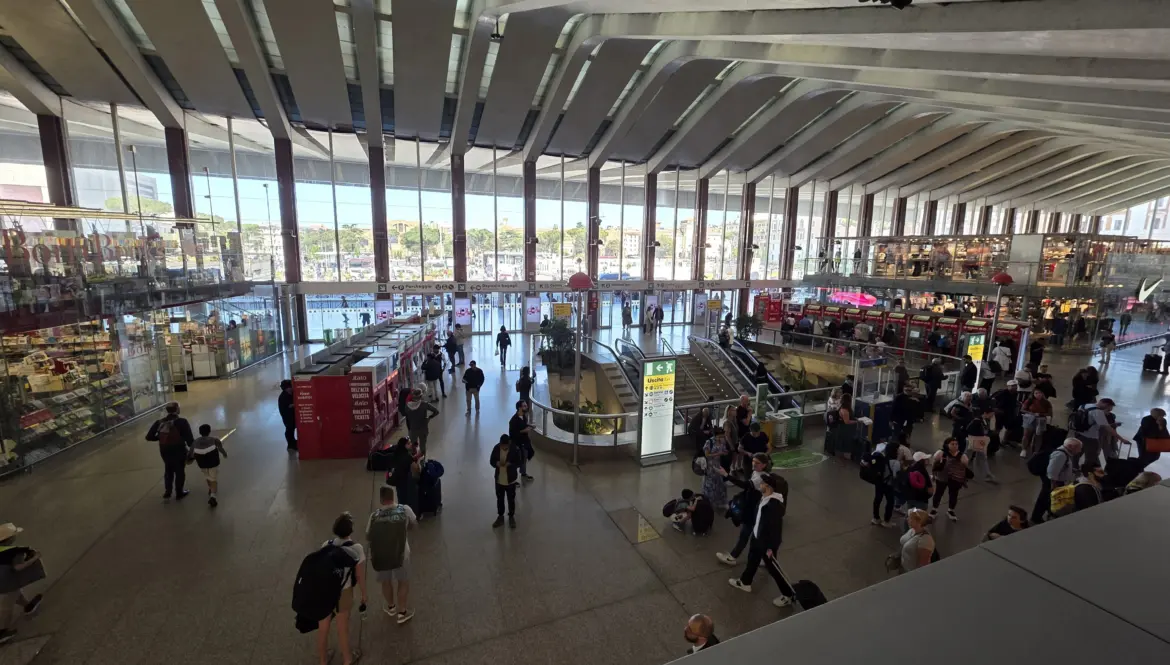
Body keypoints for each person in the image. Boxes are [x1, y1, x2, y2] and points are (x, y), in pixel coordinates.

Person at [727, 472, 795, 608]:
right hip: (758, 537)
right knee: (752, 560)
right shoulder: (765, 498)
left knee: (773, 568)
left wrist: (770, 547)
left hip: (766, 544)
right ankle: (745, 582)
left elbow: (775, 531)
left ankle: (788, 594)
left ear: (769, 487)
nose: (760, 485)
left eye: (763, 483)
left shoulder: (773, 506)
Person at [314, 513, 366, 665]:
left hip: (325, 591)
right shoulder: (356, 548)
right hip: (344, 591)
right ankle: (347, 659)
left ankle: (323, 661)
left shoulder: (326, 544)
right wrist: (364, 594)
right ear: (350, 531)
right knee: (342, 628)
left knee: (323, 627)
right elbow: (360, 576)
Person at [366, 485, 417, 625]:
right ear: (393, 496)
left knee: (386, 581)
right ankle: (402, 612)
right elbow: (414, 524)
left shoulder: (374, 515)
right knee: (403, 582)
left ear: (381, 500)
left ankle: (391, 607)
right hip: (402, 554)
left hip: (381, 555)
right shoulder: (404, 509)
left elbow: (368, 536)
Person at [715, 452, 770, 565]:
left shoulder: (761, 477)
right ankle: (764, 559)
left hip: (754, 510)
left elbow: (745, 485)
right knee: (756, 534)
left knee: (746, 534)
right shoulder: (757, 473)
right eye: (753, 462)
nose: (754, 464)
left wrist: (727, 475)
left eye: (757, 463)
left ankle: (733, 556)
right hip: (754, 508)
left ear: (764, 465)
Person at [0, 522, 44, 645]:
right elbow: (18, 568)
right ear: (10, 539)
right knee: (6, 607)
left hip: (4, 582)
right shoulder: (14, 552)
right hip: (5, 583)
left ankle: (28, 606)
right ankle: (2, 632)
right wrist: (35, 558)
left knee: (16, 594)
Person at [145, 402, 195, 500]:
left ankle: (168, 491)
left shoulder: (159, 422)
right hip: (178, 449)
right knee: (180, 470)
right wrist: (192, 450)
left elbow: (149, 437)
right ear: (177, 409)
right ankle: (179, 492)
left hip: (164, 449)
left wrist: (159, 438)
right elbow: (189, 439)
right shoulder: (182, 422)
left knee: (168, 469)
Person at [1033, 438, 1081, 523]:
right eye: (1078, 448)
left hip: (1056, 482)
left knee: (1049, 499)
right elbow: (1052, 471)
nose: (1079, 450)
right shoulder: (1061, 455)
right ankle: (1036, 518)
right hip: (1053, 482)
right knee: (1045, 499)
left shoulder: (1065, 453)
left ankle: (1048, 512)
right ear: (1070, 446)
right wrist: (1053, 485)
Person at [1074, 398, 1131, 464]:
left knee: (1077, 453)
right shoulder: (1098, 412)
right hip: (1091, 438)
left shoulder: (1083, 406)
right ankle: (1089, 471)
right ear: (1106, 404)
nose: (1108, 411)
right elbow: (1108, 428)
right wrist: (1122, 439)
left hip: (1079, 434)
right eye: (1108, 409)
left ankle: (1074, 468)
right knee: (1091, 458)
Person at [930, 437, 969, 522]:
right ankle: (934, 509)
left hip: (955, 479)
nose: (955, 446)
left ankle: (950, 510)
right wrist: (933, 474)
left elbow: (964, 469)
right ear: (947, 445)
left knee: (953, 495)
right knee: (938, 493)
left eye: (956, 444)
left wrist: (963, 480)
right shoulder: (940, 453)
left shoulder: (962, 456)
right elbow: (934, 463)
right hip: (941, 477)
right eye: (952, 444)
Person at [490, 434, 523, 528]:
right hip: (499, 479)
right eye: (502, 446)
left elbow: (519, 463)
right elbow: (492, 460)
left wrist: (510, 464)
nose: (503, 447)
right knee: (500, 499)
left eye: (505, 446)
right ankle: (500, 517)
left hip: (510, 480)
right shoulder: (496, 448)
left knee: (511, 499)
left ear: (508, 444)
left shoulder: (515, 450)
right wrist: (496, 463)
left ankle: (511, 517)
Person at [192, 424, 227, 507]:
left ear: (200, 432)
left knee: (207, 477)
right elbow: (220, 448)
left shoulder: (195, 441)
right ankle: (213, 497)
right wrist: (224, 454)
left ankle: (210, 489)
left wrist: (188, 460)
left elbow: (191, 453)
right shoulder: (214, 440)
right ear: (209, 431)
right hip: (213, 463)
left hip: (202, 464)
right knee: (213, 479)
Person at [386, 437, 420, 516]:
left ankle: (402, 515)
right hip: (406, 482)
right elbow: (416, 469)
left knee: (401, 499)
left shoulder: (395, 454)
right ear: (404, 445)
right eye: (408, 443)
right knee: (409, 499)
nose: (410, 445)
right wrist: (418, 461)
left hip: (397, 481)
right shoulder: (407, 457)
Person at [895, 508, 935, 573]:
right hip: (903, 567)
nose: (907, 519)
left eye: (910, 518)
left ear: (918, 521)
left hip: (910, 573)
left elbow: (923, 565)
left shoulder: (925, 541)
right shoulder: (912, 530)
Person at [402, 388, 439, 456]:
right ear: (421, 396)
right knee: (422, 446)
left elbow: (406, 415)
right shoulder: (424, 404)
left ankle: (413, 462)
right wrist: (429, 418)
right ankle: (422, 462)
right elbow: (436, 411)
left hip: (413, 429)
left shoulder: (407, 406)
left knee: (412, 446)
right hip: (423, 428)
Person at [965, 407, 997, 484]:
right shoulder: (977, 421)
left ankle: (987, 475)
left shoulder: (985, 421)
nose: (991, 417)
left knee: (979, 457)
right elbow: (968, 429)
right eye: (990, 415)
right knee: (968, 456)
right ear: (985, 413)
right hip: (975, 441)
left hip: (978, 441)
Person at [1020, 387, 1053, 458]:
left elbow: (1050, 413)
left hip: (1041, 420)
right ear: (1033, 394)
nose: (1038, 395)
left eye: (1040, 393)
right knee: (1026, 435)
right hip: (1029, 419)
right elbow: (1022, 409)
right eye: (1036, 393)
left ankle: (1036, 451)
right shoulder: (1029, 400)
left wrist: (1041, 414)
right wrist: (1031, 413)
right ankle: (1024, 449)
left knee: (1038, 436)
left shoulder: (1046, 402)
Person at [702, 428, 731, 508]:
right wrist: (719, 453)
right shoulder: (709, 442)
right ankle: (709, 502)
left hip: (719, 465)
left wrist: (725, 453)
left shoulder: (723, 441)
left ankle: (721, 501)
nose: (723, 437)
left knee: (721, 484)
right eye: (721, 435)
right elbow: (707, 455)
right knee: (711, 485)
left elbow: (725, 450)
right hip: (710, 467)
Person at [509, 400, 535, 481]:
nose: (526, 407)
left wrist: (530, 425)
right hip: (518, 443)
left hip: (524, 442)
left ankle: (523, 473)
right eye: (524, 406)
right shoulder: (513, 420)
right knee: (518, 460)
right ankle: (512, 477)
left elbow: (524, 425)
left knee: (524, 458)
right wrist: (524, 431)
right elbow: (513, 433)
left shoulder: (523, 416)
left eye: (526, 406)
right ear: (519, 408)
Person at [825, 393, 856, 459]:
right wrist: (857, 421)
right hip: (843, 428)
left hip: (841, 427)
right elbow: (847, 422)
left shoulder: (841, 407)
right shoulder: (845, 411)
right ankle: (847, 453)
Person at [279, 379, 297, 451]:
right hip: (287, 417)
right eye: (289, 387)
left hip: (291, 416)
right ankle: (290, 445)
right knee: (289, 429)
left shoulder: (290, 394)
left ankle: (293, 441)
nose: (291, 389)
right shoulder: (284, 396)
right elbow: (290, 405)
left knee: (291, 429)